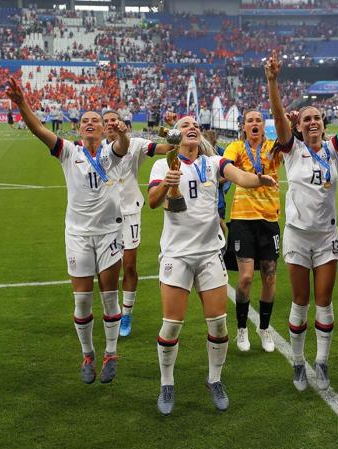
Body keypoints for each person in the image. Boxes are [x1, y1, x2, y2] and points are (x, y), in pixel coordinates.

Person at [148, 115, 277, 416]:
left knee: (218, 324)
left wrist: (259, 180)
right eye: (184, 125)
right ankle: (167, 383)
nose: (191, 127)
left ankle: (214, 379)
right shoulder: (162, 165)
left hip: (209, 254)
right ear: (176, 136)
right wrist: (167, 185)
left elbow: (240, 176)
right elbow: (153, 201)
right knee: (171, 325)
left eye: (194, 125)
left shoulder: (214, 163)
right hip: (177, 255)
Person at [6, 77, 130, 385]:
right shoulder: (68, 152)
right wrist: (22, 103)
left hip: (109, 234)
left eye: (96, 121)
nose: (90, 124)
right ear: (79, 128)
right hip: (77, 235)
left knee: (110, 297)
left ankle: (111, 354)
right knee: (83, 301)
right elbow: (39, 130)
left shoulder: (110, 152)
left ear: (104, 129)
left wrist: (124, 135)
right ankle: (88, 354)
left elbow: (123, 147)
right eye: (85, 121)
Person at [266, 51, 338, 391]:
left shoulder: (335, 150)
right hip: (298, 237)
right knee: (300, 301)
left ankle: (322, 362)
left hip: (326, 237)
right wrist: (272, 81)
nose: (313, 122)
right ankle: (298, 363)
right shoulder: (291, 150)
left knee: (324, 301)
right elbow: (277, 115)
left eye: (317, 118)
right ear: (298, 127)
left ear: (323, 125)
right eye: (307, 119)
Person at [102, 110, 175, 337]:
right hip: (103, 215)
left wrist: (169, 129)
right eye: (106, 121)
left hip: (130, 212)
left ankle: (127, 313)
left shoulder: (136, 145)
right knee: (106, 268)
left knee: (130, 266)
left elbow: (170, 150)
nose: (111, 123)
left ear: (123, 123)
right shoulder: (97, 149)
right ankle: (110, 310)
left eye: (114, 119)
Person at [222, 110, 282, 353]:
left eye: (259, 120)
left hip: (269, 218)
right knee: (246, 277)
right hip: (242, 218)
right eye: (250, 120)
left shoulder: (273, 147)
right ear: (244, 126)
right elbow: (226, 167)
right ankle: (242, 328)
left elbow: (288, 138)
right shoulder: (235, 147)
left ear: (264, 125)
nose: (255, 123)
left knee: (269, 274)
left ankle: (264, 328)